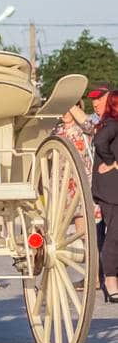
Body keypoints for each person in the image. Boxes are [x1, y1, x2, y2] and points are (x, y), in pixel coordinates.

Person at [56, 86, 107, 287]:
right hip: (63, 189)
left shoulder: (83, 129)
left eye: (69, 109)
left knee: (86, 235)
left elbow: (90, 123)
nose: (65, 113)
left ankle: (93, 277)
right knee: (63, 238)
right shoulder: (56, 130)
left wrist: (71, 102)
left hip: (82, 186)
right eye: (62, 109)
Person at [92, 89, 118, 304]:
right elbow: (100, 142)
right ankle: (110, 279)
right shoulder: (111, 124)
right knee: (114, 235)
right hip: (111, 190)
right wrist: (110, 162)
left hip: (112, 188)